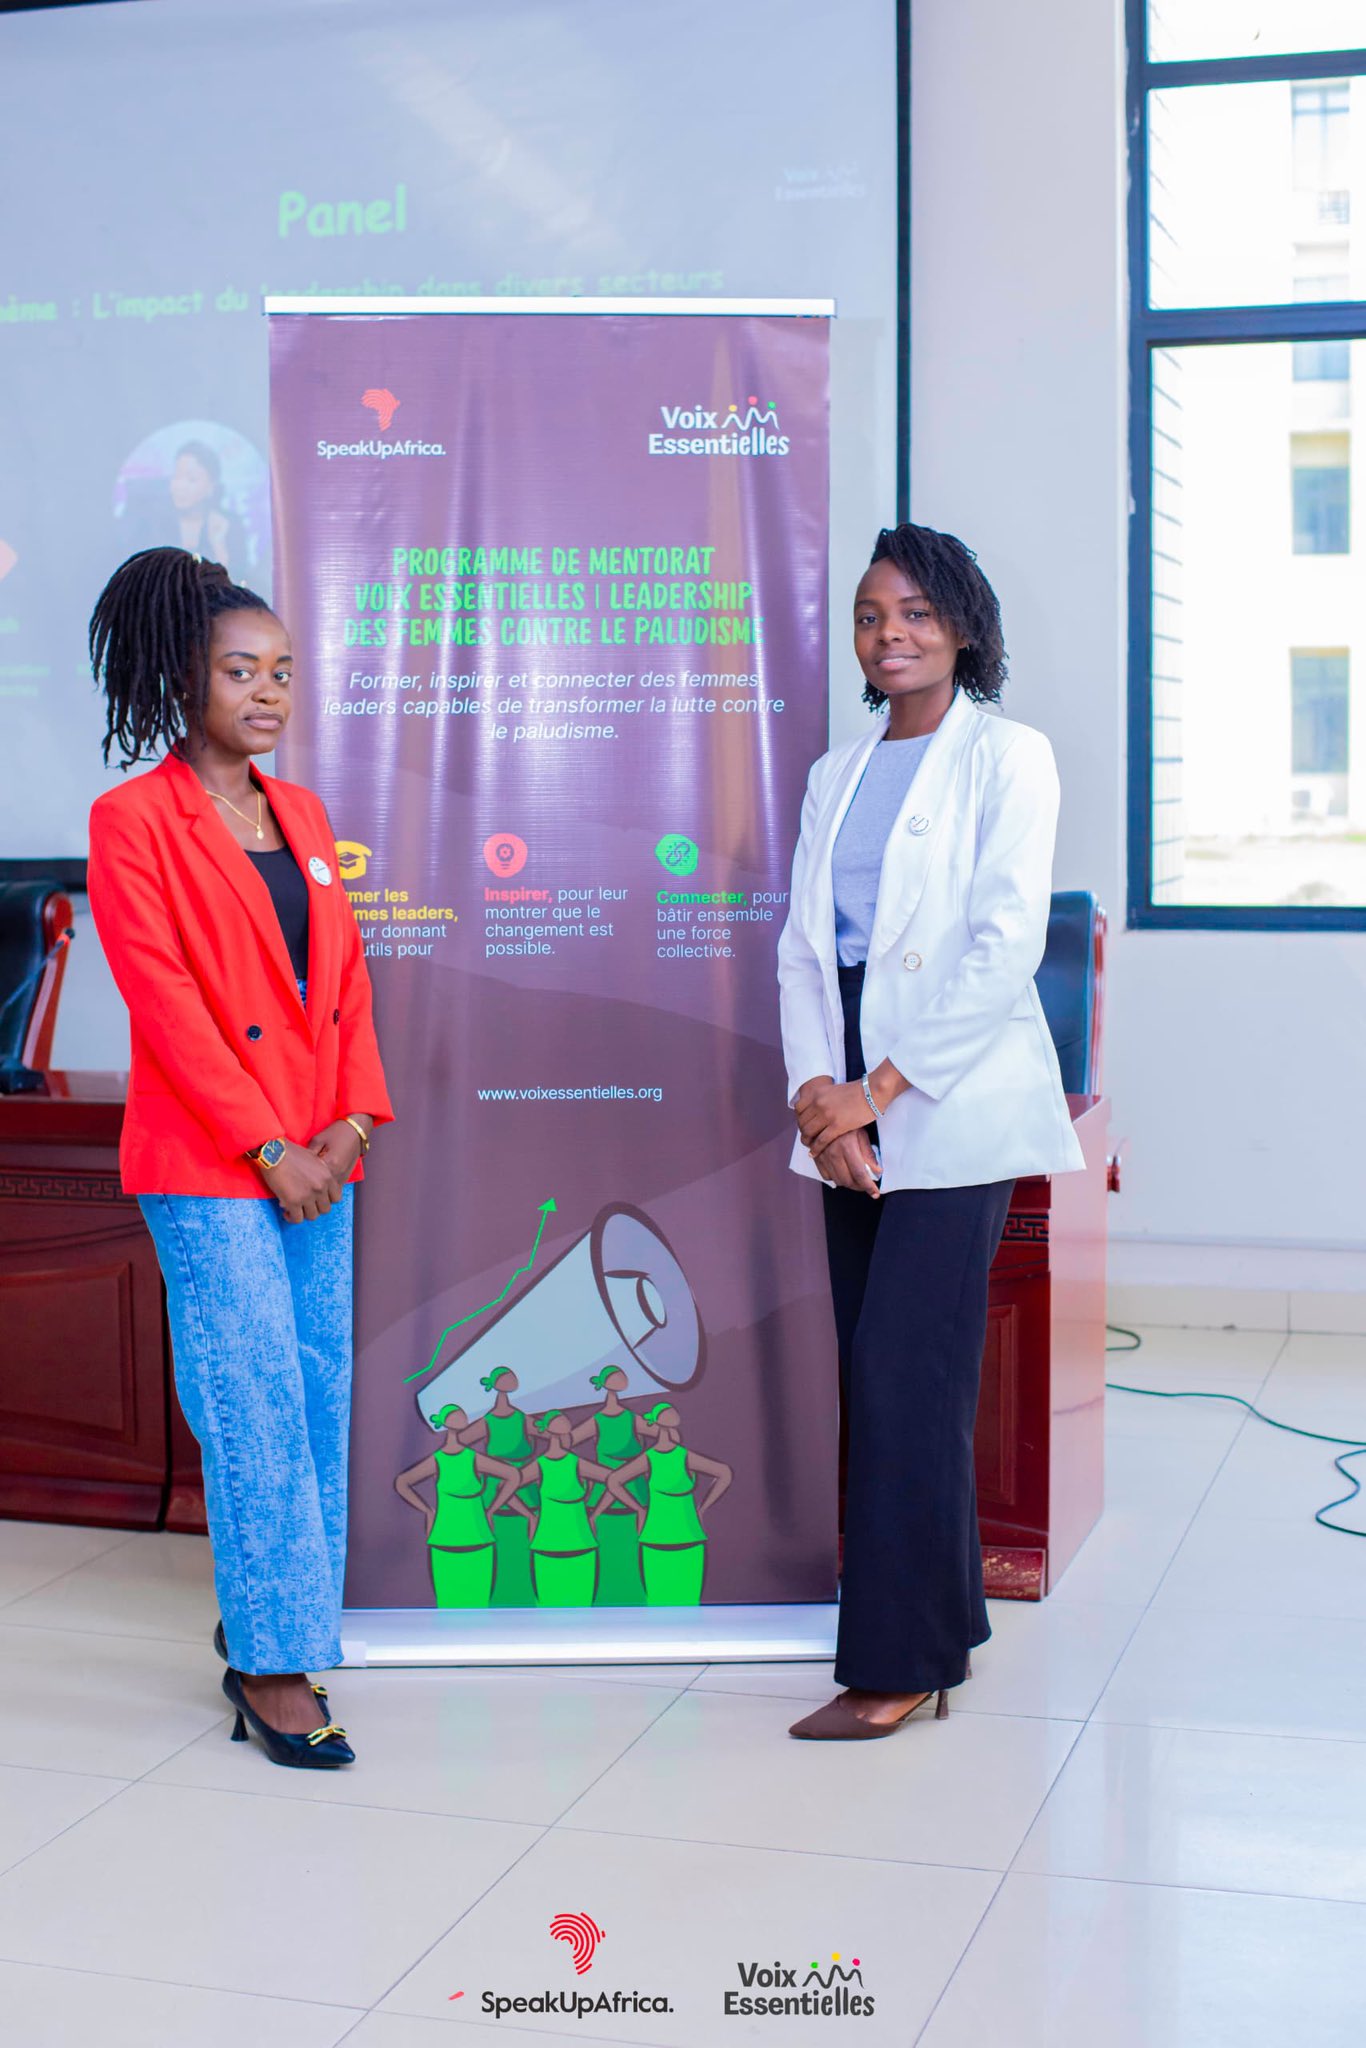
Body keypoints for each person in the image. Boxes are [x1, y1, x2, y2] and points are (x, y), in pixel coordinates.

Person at [86, 546, 393, 1769]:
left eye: (282, 670)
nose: (268, 692)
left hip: (321, 1152)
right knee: (251, 1397)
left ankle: (277, 1612)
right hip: (213, 1160)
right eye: (239, 670)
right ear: (182, 679)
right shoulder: (132, 821)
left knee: (313, 1393)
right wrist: (268, 1145)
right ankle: (270, 1666)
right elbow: (164, 1004)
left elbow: (346, 982)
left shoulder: (302, 814)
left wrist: (348, 1125)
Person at [776, 522, 1082, 1741]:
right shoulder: (834, 773)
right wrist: (819, 1093)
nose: (888, 633)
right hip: (845, 1085)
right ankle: (943, 1619)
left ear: (961, 625)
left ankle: (897, 1662)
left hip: (949, 1094)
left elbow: (1007, 945)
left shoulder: (1010, 756)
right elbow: (805, 951)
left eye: (913, 611)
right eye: (869, 615)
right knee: (881, 1372)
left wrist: (877, 1089)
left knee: (909, 1373)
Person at [393, 1404, 523, 1607]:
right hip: (445, 1542)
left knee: (479, 1603)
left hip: (479, 1540)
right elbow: (402, 1482)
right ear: (446, 1422)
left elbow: (513, 1475)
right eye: (456, 1414)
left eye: (462, 1414)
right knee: (448, 1604)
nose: (462, 1417)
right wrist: (428, 1511)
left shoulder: (473, 1458)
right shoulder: (438, 1460)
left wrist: (491, 1510)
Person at [603, 1401, 732, 1604]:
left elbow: (724, 1473)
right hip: (656, 1540)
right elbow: (614, 1481)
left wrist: (702, 1508)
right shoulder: (650, 1458)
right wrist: (639, 1509)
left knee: (688, 1601)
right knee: (659, 1601)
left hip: (689, 1539)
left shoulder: (683, 1456)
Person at [570, 1364, 655, 1604]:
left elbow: (662, 1434)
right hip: (603, 1499)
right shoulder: (597, 1421)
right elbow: (568, 1442)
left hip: (636, 1495)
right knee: (607, 1552)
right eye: (617, 1376)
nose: (623, 1379)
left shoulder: (632, 1420)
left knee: (634, 1550)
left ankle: (635, 1598)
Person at [457, 1366, 540, 1606]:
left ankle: (524, 1596)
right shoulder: (489, 1422)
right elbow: (460, 1443)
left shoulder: (521, 1419)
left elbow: (550, 1433)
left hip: (525, 1491)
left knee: (524, 1544)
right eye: (507, 1378)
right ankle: (499, 1597)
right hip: (496, 1493)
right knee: (500, 1546)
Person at [510, 1412, 609, 1606]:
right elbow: (505, 1488)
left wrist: (595, 1514)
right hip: (546, 1547)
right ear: (548, 1430)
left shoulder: (576, 1463)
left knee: (583, 1608)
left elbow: (615, 1480)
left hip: (582, 1546)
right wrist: (530, 1517)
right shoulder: (540, 1466)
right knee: (548, 1608)